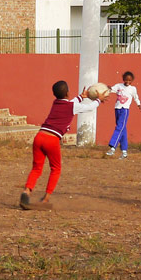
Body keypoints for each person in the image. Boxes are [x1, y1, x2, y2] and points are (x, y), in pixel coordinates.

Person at [21, 80, 102, 210]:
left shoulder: (56, 103)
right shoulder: (71, 106)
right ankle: (45, 199)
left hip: (39, 136)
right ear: (68, 93)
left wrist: (81, 97)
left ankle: (26, 191)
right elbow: (89, 107)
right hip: (51, 140)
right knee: (56, 169)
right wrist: (99, 100)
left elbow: (71, 104)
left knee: (36, 168)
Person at [105, 70, 141, 158]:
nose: (128, 82)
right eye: (126, 80)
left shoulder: (133, 89)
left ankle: (113, 147)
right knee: (122, 129)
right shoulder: (119, 86)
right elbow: (111, 90)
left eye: (130, 80)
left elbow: (136, 97)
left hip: (125, 110)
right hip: (117, 109)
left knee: (119, 127)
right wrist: (107, 88)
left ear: (132, 80)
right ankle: (124, 151)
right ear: (123, 79)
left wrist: (139, 105)